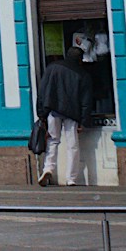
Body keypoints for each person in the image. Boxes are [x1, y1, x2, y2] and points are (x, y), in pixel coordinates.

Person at [35, 44, 96, 186]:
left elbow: (42, 92)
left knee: (53, 140)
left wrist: (41, 114)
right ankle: (71, 178)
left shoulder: (52, 68)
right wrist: (83, 121)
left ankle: (48, 168)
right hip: (72, 114)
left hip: (52, 111)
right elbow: (86, 101)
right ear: (80, 59)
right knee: (72, 145)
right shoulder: (82, 74)